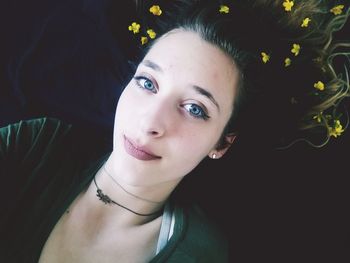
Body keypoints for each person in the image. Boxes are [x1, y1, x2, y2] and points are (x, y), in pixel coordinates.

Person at [0, 0, 349, 262]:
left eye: (195, 108)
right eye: (147, 82)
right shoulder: (39, 144)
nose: (150, 123)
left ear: (222, 143)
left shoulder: (195, 254)